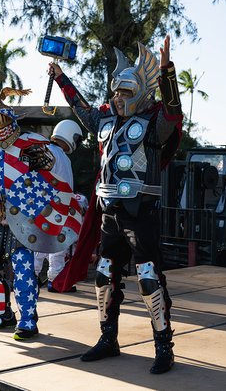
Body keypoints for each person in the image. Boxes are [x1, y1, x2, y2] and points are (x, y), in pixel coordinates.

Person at [48, 35, 182, 374]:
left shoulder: (153, 124)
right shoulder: (104, 122)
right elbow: (80, 108)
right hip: (109, 211)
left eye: (125, 92)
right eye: (116, 92)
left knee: (148, 277)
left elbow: (173, 112)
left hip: (141, 212)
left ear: (139, 93)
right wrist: (62, 77)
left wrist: (167, 72)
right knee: (105, 274)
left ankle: (163, 346)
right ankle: (108, 338)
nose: (118, 98)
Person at [0, 90, 81, 341]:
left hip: (23, 218)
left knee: (22, 268)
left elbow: (50, 175)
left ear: (13, 124)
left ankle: (27, 319)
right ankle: (2, 312)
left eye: (4, 123)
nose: (0, 129)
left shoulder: (32, 145)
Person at [34, 119, 83, 293]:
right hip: (57, 206)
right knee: (57, 246)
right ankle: (56, 280)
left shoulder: (45, 151)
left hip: (41, 205)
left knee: (39, 245)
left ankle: (31, 278)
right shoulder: (60, 155)